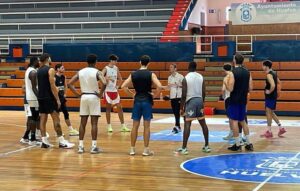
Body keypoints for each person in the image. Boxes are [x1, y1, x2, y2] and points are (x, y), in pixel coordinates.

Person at [122, 55, 162, 156]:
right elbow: (160, 86)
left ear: (140, 62)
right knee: (146, 126)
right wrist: (154, 95)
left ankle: (132, 149)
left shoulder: (133, 74)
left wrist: (132, 95)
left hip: (137, 101)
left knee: (135, 126)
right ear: (148, 63)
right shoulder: (151, 74)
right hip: (147, 101)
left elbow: (123, 86)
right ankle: (146, 150)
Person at [68, 54, 107, 154]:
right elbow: (105, 82)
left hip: (84, 97)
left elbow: (69, 84)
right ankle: (93, 147)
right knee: (94, 123)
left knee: (82, 122)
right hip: (94, 97)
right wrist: (100, 94)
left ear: (87, 62)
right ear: (95, 62)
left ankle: (80, 146)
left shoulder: (80, 72)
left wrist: (77, 94)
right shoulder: (97, 72)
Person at [37, 53, 74, 149]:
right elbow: (52, 85)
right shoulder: (50, 69)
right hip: (49, 98)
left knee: (43, 119)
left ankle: (44, 141)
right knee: (56, 119)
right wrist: (57, 99)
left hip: (40, 97)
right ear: (47, 59)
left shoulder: (38, 70)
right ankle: (62, 142)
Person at [176, 61, 211, 155]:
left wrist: (181, 107)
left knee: (187, 124)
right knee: (203, 124)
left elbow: (183, 94)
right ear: (196, 68)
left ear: (188, 67)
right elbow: (204, 92)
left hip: (190, 101)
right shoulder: (201, 77)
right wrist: (202, 102)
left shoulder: (186, 78)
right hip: (199, 100)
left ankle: (184, 148)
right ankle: (207, 146)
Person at [225, 53, 253, 152]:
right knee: (243, 121)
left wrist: (226, 84)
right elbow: (251, 88)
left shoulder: (233, 72)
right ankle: (249, 144)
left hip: (234, 100)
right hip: (243, 100)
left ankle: (237, 144)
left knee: (234, 121)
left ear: (235, 61)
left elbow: (231, 88)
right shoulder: (247, 72)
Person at [102, 54, 130, 133]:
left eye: (116, 60)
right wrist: (107, 78)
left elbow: (120, 79)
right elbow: (100, 76)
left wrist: (118, 86)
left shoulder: (116, 68)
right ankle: (109, 126)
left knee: (119, 107)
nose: (116, 62)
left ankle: (123, 126)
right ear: (111, 61)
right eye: (115, 60)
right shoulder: (106, 68)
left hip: (114, 91)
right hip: (107, 91)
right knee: (108, 108)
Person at [261, 60, 286, 138]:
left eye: (263, 65)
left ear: (267, 66)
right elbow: (279, 82)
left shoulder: (269, 75)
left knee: (268, 113)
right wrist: (278, 92)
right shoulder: (274, 73)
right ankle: (281, 128)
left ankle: (269, 131)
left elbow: (273, 85)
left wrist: (269, 91)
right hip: (273, 96)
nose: (262, 67)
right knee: (271, 112)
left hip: (270, 96)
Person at [20, 57, 41, 145]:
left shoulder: (29, 70)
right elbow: (34, 87)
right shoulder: (33, 72)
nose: (39, 62)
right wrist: (40, 98)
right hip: (33, 98)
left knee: (31, 117)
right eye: (38, 61)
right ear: (35, 62)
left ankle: (26, 137)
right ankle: (32, 139)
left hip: (29, 97)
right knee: (34, 118)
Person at [55, 64, 79, 136]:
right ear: (57, 69)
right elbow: (53, 88)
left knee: (66, 113)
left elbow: (65, 86)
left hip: (62, 98)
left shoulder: (63, 77)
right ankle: (58, 132)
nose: (64, 69)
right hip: (56, 99)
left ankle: (71, 130)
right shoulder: (54, 78)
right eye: (62, 68)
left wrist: (65, 94)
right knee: (57, 115)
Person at [164, 63, 184, 134]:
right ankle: (178, 126)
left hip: (179, 96)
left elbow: (184, 86)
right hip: (172, 97)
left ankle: (177, 126)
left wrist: (177, 85)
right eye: (170, 67)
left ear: (175, 69)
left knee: (178, 112)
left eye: (172, 67)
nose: (170, 68)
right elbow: (169, 87)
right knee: (175, 112)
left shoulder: (180, 76)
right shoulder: (169, 77)